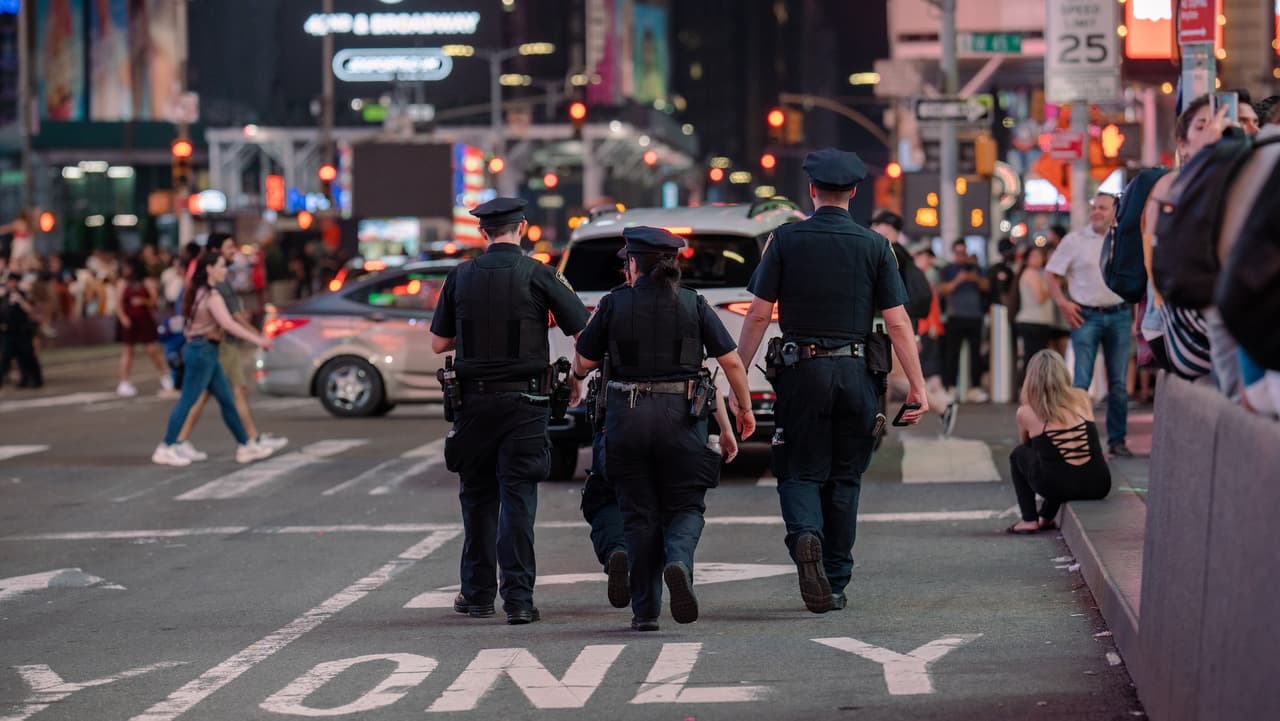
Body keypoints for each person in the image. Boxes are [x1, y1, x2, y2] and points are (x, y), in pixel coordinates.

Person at [733, 148, 928, 614]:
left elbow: (759, 315)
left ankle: (805, 536)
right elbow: (898, 323)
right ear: (855, 193)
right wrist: (917, 386)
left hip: (803, 371)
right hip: (859, 373)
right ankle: (836, 580)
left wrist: (738, 374)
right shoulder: (875, 246)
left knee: (799, 469)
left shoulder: (784, 240)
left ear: (812, 190)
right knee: (845, 477)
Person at [571, 227, 753, 632]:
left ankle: (645, 612)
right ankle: (678, 561)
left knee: (637, 514)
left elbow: (582, 363)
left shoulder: (614, 305)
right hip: (682, 418)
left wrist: (585, 366)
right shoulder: (694, 304)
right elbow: (731, 363)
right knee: (686, 505)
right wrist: (743, 406)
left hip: (626, 420)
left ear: (634, 263)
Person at [429, 197, 590, 626]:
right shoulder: (541, 275)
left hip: (474, 403)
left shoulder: (460, 277)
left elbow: (438, 343)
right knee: (519, 499)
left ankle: (478, 594)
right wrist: (576, 377)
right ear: (522, 228)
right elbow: (584, 332)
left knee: (478, 498)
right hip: (527, 403)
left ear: (483, 233)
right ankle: (519, 600)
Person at [152, 250, 277, 467]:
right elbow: (228, 324)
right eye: (220, 265)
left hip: (203, 349)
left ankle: (244, 445)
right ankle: (167, 445)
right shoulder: (211, 296)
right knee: (188, 400)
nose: (224, 270)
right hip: (202, 351)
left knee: (226, 399)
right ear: (209, 269)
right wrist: (259, 341)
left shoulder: (197, 291)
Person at [1045, 192, 1132, 457]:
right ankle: (1079, 439)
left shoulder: (1125, 240)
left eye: (1103, 208)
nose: (1096, 212)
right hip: (1086, 315)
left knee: (1118, 383)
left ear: (1116, 212)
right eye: (1094, 207)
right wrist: (1063, 303)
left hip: (1119, 314)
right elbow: (1050, 273)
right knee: (1081, 381)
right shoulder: (1075, 240)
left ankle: (1117, 441)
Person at [1006, 350, 1111, 534]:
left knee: (1019, 454)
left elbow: (1027, 445)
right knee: (1055, 462)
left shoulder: (1026, 412)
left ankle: (1029, 519)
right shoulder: (1082, 397)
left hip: (1058, 486)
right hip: (1099, 484)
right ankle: (1045, 517)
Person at [937, 239, 990, 402]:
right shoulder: (947, 270)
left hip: (974, 316)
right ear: (954, 252)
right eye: (958, 252)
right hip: (955, 316)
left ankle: (975, 387)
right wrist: (958, 280)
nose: (961, 256)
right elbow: (942, 290)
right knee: (952, 353)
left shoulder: (977, 269)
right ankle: (951, 387)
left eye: (964, 252)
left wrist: (975, 279)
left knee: (976, 354)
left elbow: (986, 286)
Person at [115, 258, 175, 398]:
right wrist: (123, 318)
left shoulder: (146, 282)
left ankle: (165, 377)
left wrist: (143, 301)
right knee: (128, 351)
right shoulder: (122, 283)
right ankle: (124, 381)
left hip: (144, 319)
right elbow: (118, 304)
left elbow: (154, 301)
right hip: (129, 320)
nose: (125, 270)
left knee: (152, 350)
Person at [1014, 245, 1056, 386]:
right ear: (1027, 259)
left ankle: (1030, 387)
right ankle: (1029, 387)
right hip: (1033, 321)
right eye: (1035, 256)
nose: (1039, 259)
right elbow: (1039, 297)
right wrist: (1053, 287)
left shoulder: (1035, 273)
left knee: (1033, 357)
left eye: (1040, 256)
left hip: (1036, 321)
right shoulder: (1031, 274)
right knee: (1034, 359)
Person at [0, 273, 42, 389]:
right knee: (6, 357)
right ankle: (21, 379)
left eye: (13, 281)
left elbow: (31, 310)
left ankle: (36, 379)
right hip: (7, 332)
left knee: (27, 356)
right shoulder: (4, 295)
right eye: (9, 281)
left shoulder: (23, 294)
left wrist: (20, 300)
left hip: (22, 332)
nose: (11, 284)